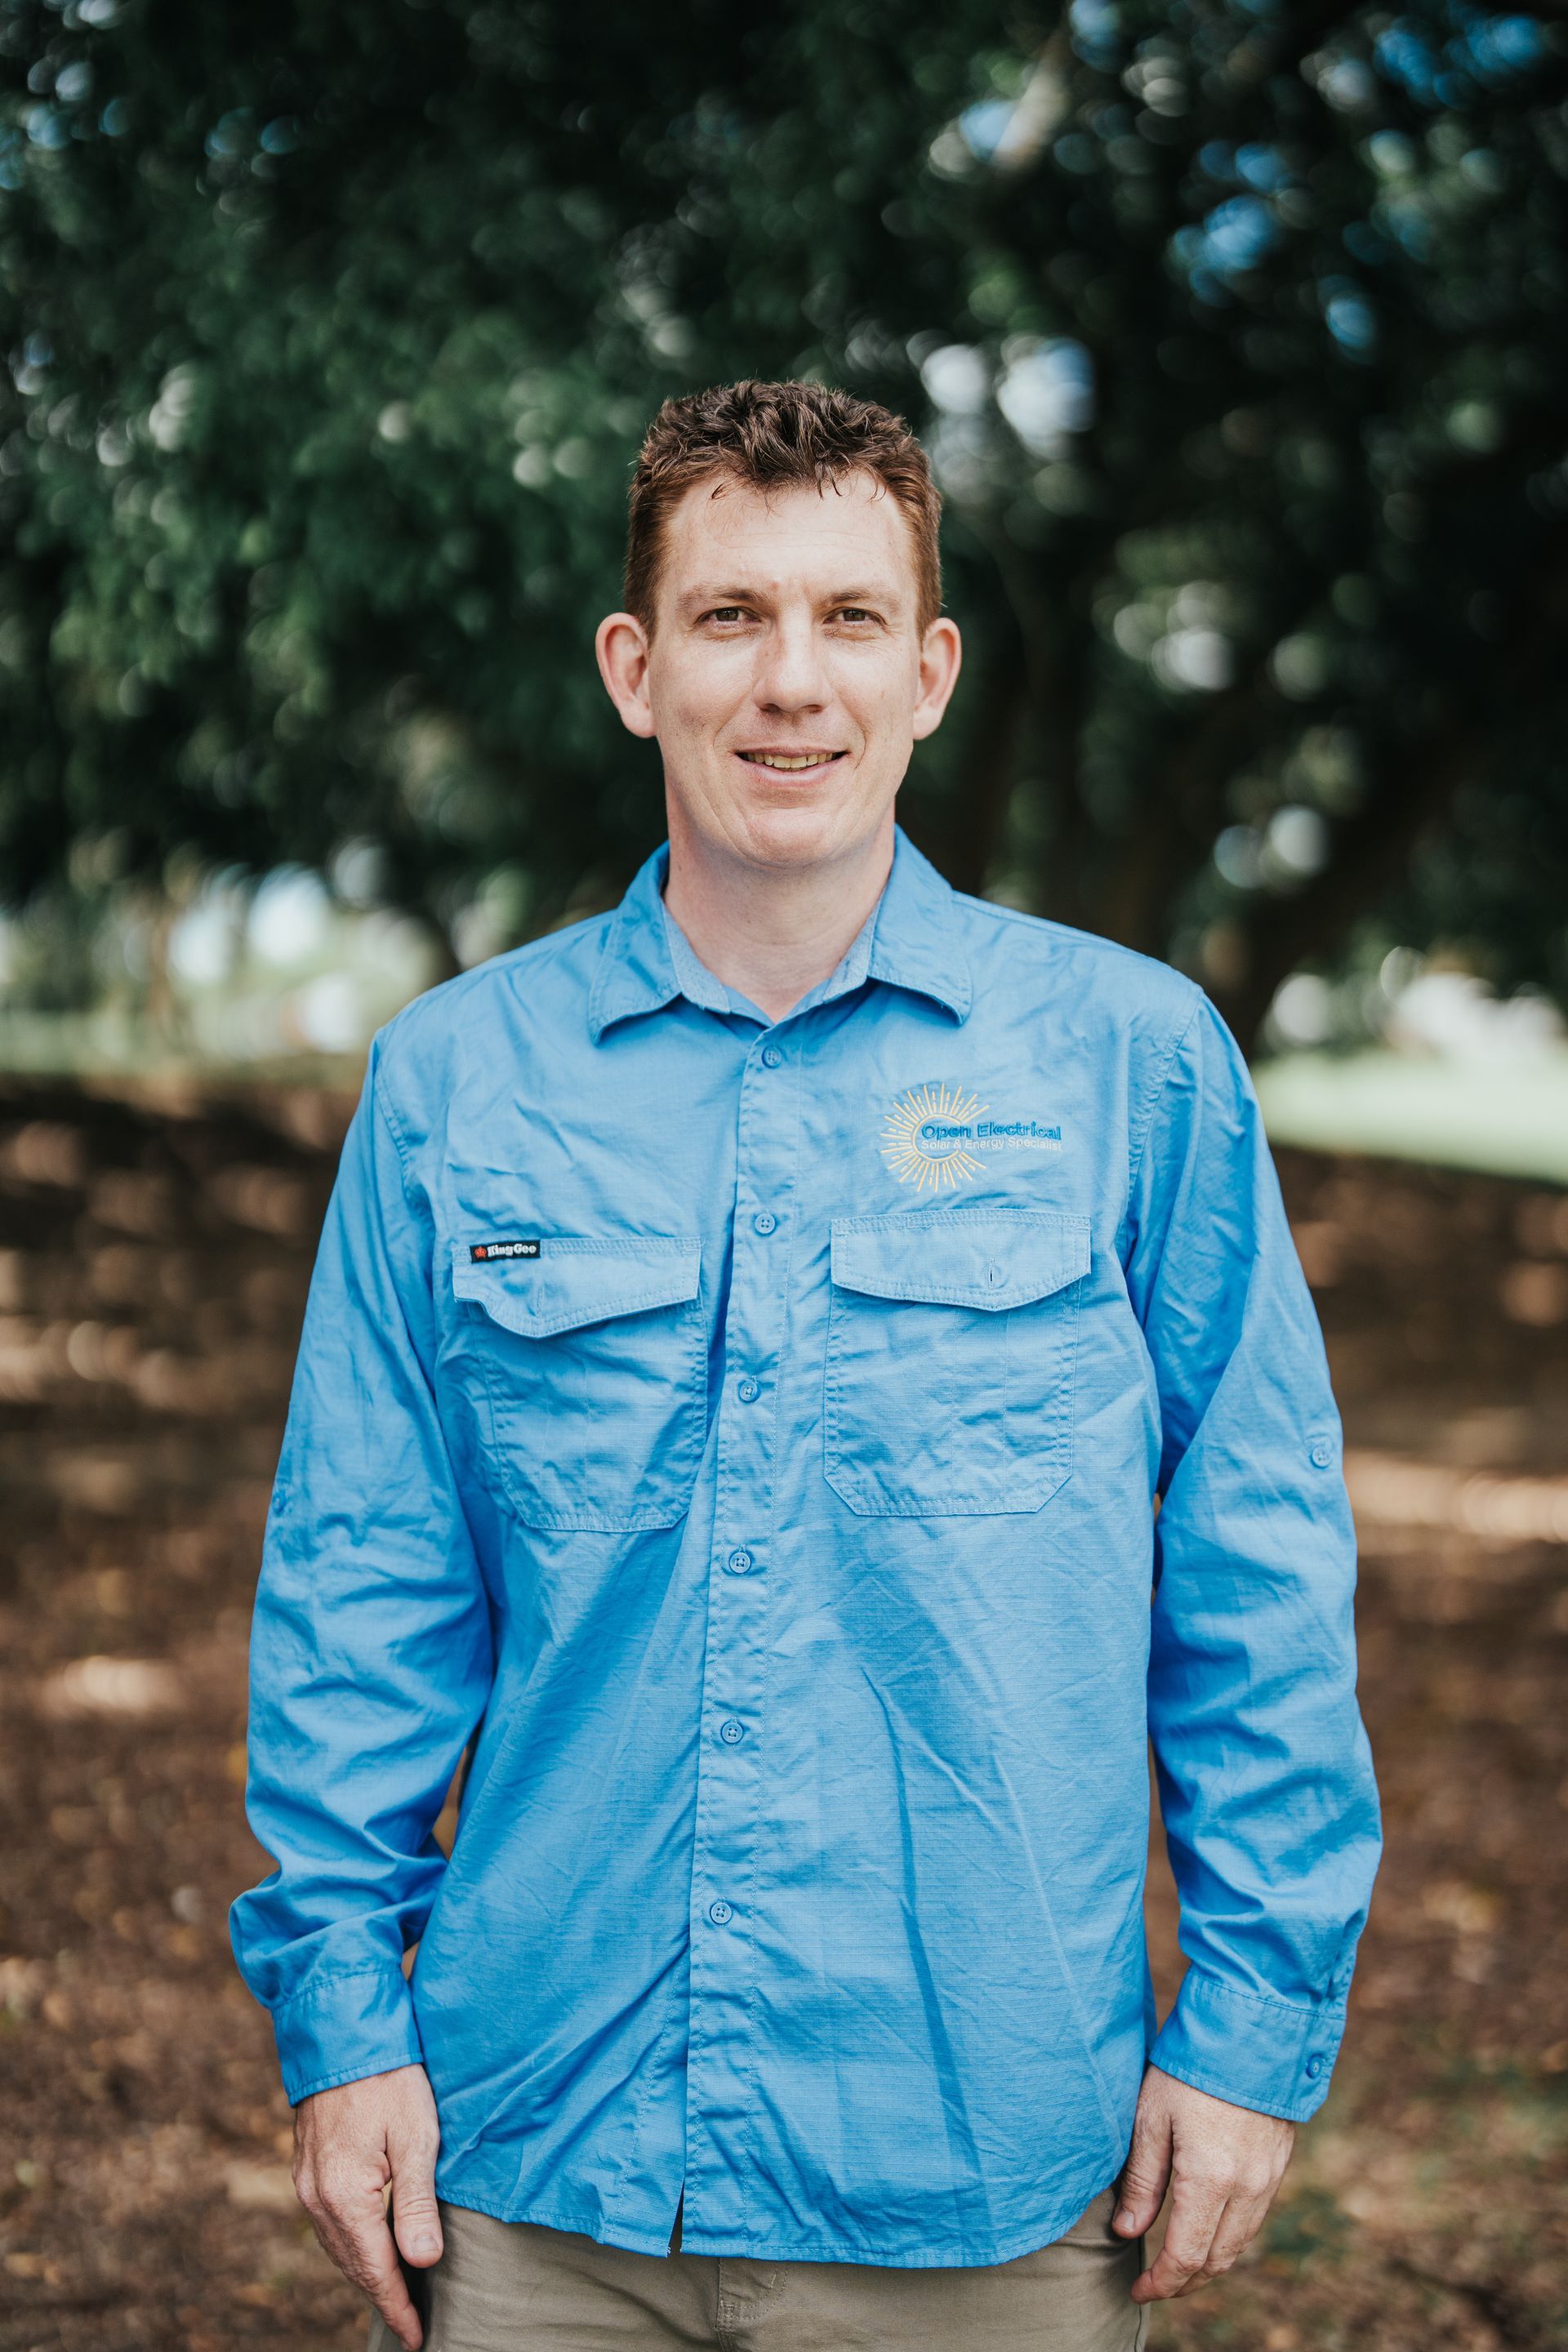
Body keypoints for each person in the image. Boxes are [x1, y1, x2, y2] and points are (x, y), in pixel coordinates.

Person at [229, 378, 1382, 2352]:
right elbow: (364, 1592)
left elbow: (1256, 1580)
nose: (792, 683)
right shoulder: (455, 1085)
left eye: (850, 619)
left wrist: (1255, 2034)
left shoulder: (1135, 1065)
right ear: (634, 666)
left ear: (929, 672)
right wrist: (345, 2035)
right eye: (730, 616)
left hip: (988, 2181)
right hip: (544, 2175)